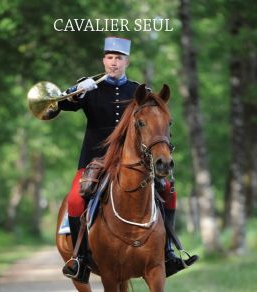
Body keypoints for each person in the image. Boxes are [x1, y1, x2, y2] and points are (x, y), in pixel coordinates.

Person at [50, 37, 198, 283]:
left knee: (169, 190)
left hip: (134, 161)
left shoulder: (138, 91)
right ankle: (80, 259)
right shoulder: (89, 89)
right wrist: (73, 92)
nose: (113, 62)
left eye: (118, 58)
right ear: (103, 61)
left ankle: (168, 253)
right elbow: (57, 107)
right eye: (109, 58)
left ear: (126, 61)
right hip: (94, 160)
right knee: (76, 199)